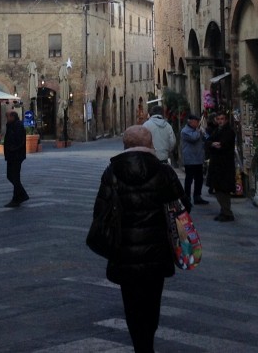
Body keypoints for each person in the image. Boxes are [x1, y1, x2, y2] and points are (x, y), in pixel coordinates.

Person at [91, 125, 184, 353]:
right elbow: (182, 210)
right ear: (150, 144)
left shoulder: (112, 172)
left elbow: (100, 212)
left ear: (125, 145)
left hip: (125, 253)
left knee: (132, 305)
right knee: (152, 302)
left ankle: (140, 347)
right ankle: (148, 343)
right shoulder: (164, 172)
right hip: (157, 251)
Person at [206, 109, 236, 221]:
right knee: (218, 189)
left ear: (226, 120)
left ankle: (227, 212)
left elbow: (223, 145)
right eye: (218, 119)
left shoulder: (229, 132)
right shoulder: (216, 131)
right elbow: (209, 142)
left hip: (225, 165)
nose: (220, 121)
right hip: (217, 165)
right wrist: (212, 144)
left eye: (222, 119)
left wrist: (214, 144)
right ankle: (224, 211)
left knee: (224, 190)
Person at [179, 113, 208, 208]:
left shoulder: (197, 130)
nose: (198, 123)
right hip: (190, 159)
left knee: (199, 179)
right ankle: (187, 197)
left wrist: (204, 133)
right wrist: (199, 131)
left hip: (198, 158)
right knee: (189, 179)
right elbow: (194, 138)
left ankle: (197, 196)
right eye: (196, 122)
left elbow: (206, 138)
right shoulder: (185, 131)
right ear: (190, 122)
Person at [3, 110, 29, 207]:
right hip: (11, 155)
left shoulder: (18, 126)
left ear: (13, 117)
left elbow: (20, 141)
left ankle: (17, 198)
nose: (7, 118)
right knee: (11, 176)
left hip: (16, 155)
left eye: (8, 116)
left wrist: (12, 148)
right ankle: (21, 195)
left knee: (14, 176)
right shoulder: (12, 125)